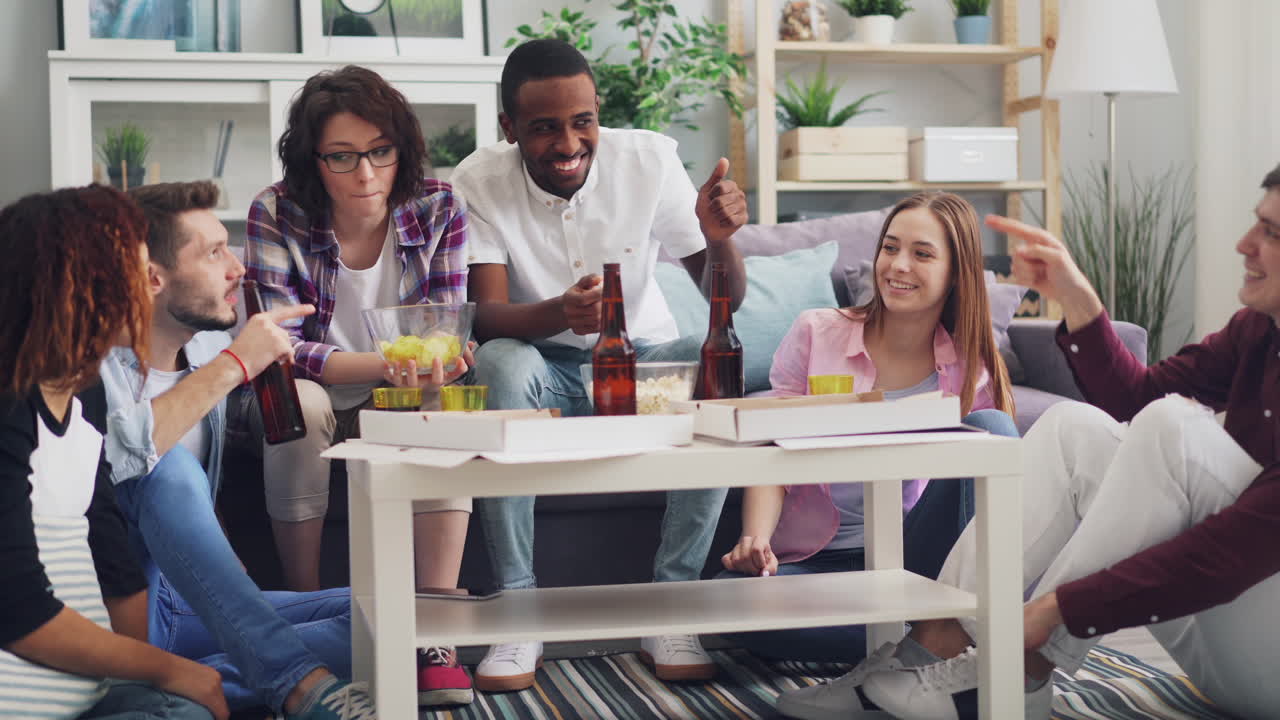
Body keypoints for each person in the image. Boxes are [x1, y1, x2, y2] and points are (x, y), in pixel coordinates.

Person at [809, 164, 1280, 720]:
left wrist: (1048, 614)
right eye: (1258, 224)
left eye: (1272, 233)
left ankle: (1024, 667)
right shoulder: (1258, 330)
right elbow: (1136, 401)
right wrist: (1075, 296)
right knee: (1072, 427)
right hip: (1227, 644)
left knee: (1175, 427)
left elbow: (1229, 552)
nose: (1244, 244)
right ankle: (934, 646)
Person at [451, 38, 750, 691]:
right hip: (540, 366)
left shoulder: (648, 162)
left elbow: (725, 298)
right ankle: (518, 611)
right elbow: (487, 316)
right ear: (509, 129)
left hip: (642, 366)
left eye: (582, 121)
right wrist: (561, 313)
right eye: (544, 128)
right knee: (497, 365)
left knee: (715, 375)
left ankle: (671, 607)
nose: (568, 143)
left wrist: (722, 241)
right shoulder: (476, 181)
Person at [97, 180, 379, 717]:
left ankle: (191, 687)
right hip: (116, 614)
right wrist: (238, 365)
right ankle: (295, 683)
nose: (238, 267)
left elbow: (190, 507)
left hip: (185, 605)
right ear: (152, 278)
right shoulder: (88, 369)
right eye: (213, 253)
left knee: (393, 619)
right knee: (169, 466)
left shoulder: (206, 346)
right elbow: (119, 464)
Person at [246, 65, 475, 706]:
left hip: (401, 390)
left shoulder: (439, 205)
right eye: (342, 158)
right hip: (313, 386)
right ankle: (306, 619)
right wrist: (382, 365)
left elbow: (446, 328)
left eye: (379, 152)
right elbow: (279, 347)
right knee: (301, 399)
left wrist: (445, 361)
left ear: (399, 148)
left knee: (443, 404)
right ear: (312, 160)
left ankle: (437, 634)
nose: (366, 175)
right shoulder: (276, 211)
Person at [720, 193, 1018, 678]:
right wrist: (755, 540)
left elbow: (975, 503)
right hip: (819, 560)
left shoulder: (970, 366)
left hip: (915, 561)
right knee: (729, 604)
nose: (898, 265)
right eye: (890, 248)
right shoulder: (816, 333)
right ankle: (941, 637)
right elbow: (770, 450)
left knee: (994, 431)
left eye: (922, 254)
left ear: (957, 273)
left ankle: (936, 628)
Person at [0, 184, 227, 720]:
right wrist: (168, 671)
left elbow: (114, 563)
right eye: (135, 268)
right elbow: (18, 611)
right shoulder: (10, 410)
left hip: (95, 696)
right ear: (75, 286)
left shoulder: (83, 402)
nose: (152, 284)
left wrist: (156, 680)